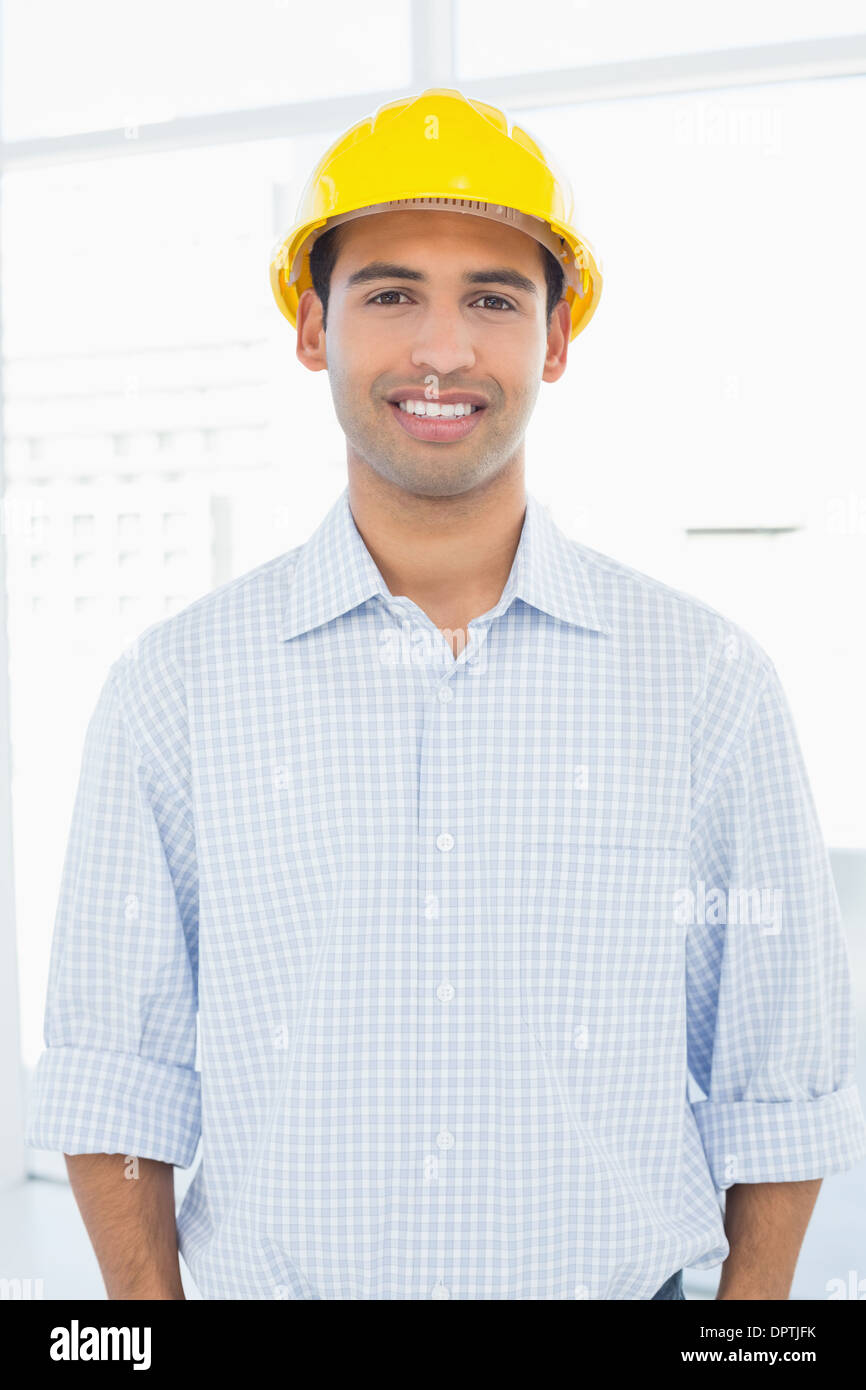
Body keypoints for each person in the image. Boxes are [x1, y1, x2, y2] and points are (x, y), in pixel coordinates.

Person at [26, 88, 866, 1301]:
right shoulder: (175, 690)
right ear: (312, 327)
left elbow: (777, 1071)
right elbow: (116, 1071)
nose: (439, 349)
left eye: (491, 297)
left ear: (556, 337)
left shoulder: (704, 685)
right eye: (389, 294)